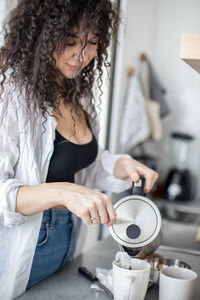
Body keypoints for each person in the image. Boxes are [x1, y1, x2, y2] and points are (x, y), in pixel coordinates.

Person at [0, 0, 158, 299]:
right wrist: (61, 193)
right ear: (42, 35)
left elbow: (81, 164)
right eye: (70, 41)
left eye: (92, 43)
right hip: (24, 242)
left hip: (67, 237)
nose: (81, 55)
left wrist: (121, 166)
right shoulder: (10, 93)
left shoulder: (76, 94)